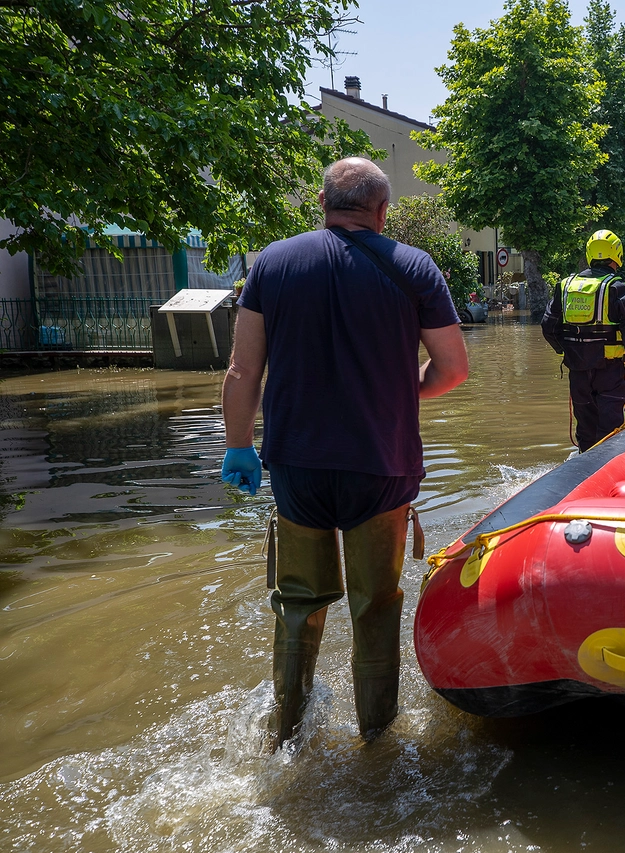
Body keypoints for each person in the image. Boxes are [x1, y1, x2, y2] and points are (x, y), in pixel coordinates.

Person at [219, 157, 469, 749]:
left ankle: (288, 733)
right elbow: (454, 369)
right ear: (383, 210)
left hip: (297, 463)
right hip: (380, 464)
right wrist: (401, 389)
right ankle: (376, 740)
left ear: (323, 203)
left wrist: (238, 446)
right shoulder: (413, 267)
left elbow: (242, 368)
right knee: (375, 604)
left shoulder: (273, 263)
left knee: (299, 600)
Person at [542, 229, 625, 450]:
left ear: (589, 254)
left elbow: (548, 327)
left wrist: (567, 352)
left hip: (578, 373)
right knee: (614, 433)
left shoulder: (565, 286)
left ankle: (583, 474)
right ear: (617, 255)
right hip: (612, 374)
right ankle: (611, 476)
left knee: (586, 432)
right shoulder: (622, 289)